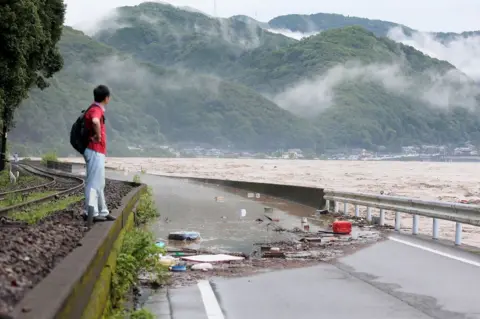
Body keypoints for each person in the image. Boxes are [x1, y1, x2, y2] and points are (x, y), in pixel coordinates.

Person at [83, 85, 115, 222]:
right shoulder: (96, 110)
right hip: (94, 150)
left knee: (99, 183)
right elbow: (96, 121)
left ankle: (103, 211)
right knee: (93, 183)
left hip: (97, 151)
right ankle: (90, 212)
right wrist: (98, 136)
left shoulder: (94, 109)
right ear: (106, 98)